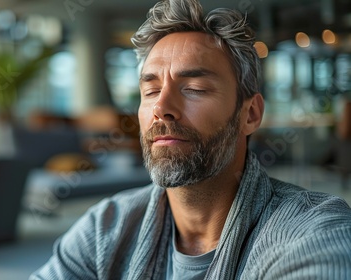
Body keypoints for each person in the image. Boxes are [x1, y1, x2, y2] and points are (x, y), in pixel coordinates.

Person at [30, 0, 351, 279]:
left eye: (195, 89)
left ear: (250, 114)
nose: (162, 108)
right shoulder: (104, 229)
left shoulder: (314, 234)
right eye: (151, 90)